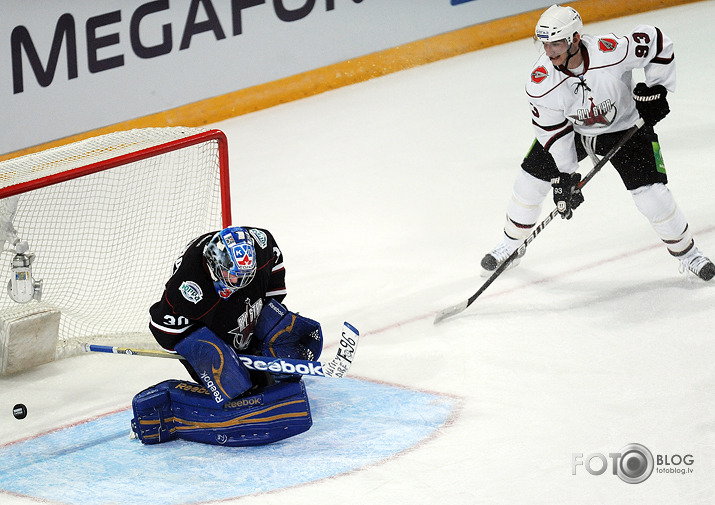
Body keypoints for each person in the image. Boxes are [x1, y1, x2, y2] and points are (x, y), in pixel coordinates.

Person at [481, 4, 714, 281]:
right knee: (529, 180)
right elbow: (552, 131)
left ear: (575, 39)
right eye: (544, 44)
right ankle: (511, 245)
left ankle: (689, 255)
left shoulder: (611, 51)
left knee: (653, 196)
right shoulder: (541, 82)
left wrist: (657, 88)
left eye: (556, 43)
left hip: (626, 125)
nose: (549, 51)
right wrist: (565, 176)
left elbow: (656, 41)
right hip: (574, 130)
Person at [130, 226, 324, 447]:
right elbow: (163, 331)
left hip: (235, 305)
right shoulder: (188, 289)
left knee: (277, 332)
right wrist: (209, 352)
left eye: (244, 275)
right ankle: (226, 365)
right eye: (232, 275)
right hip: (205, 321)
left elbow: (273, 285)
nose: (238, 281)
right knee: (233, 381)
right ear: (214, 265)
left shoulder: (262, 245)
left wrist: (267, 321)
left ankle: (252, 357)